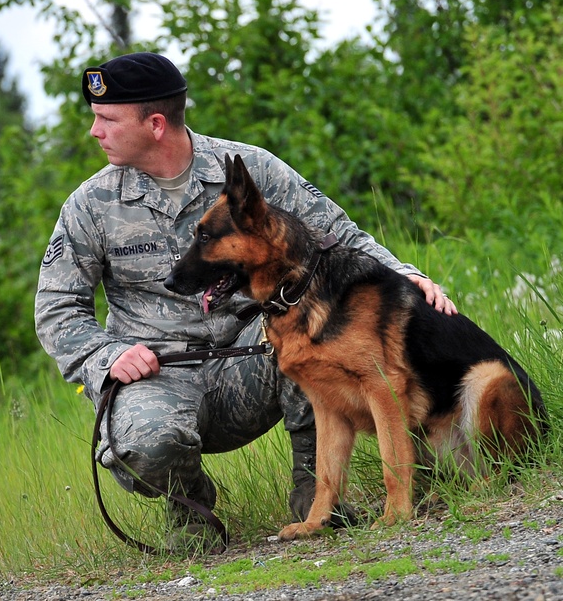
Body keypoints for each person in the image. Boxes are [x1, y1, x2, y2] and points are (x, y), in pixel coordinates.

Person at [34, 52, 456, 550]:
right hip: (159, 373)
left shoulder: (249, 169)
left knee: (314, 337)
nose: (94, 130)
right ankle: (189, 511)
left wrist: (406, 274)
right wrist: (109, 358)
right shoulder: (90, 205)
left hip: (252, 357)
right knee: (143, 445)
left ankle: (316, 494)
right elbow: (57, 308)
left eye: (106, 118)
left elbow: (338, 235)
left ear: (155, 124)